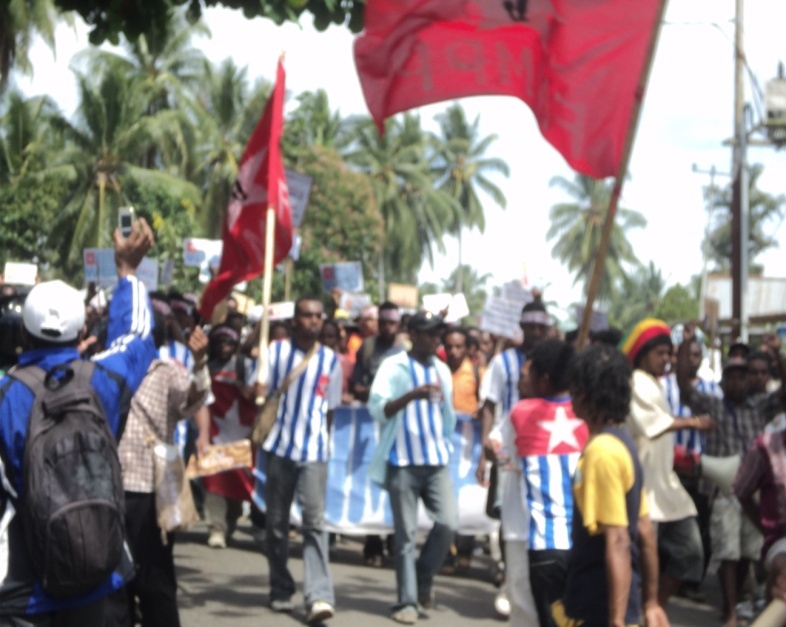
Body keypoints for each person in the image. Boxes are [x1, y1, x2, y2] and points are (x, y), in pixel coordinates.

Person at [0, 219, 157, 625]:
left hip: (20, 587)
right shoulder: (103, 381)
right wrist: (128, 272)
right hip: (96, 572)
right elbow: (138, 334)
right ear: (83, 330)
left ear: (22, 332)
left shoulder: (5, 394)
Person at [107, 300, 210, 627]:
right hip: (108, 490)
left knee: (155, 582)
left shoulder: (166, 371)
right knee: (114, 586)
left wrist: (200, 363)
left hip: (149, 491)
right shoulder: (102, 369)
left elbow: (193, 400)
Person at [677, 326, 786, 627]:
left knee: (749, 552)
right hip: (724, 490)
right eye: (731, 377)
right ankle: (730, 612)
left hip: (754, 490)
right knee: (727, 551)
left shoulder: (759, 406)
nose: (737, 382)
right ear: (723, 382)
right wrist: (687, 344)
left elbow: (784, 392)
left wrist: (778, 353)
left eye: (742, 377)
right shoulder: (712, 405)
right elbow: (685, 387)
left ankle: (737, 602)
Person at [555, 344, 668, 627]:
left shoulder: (601, 452)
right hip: (618, 605)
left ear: (585, 394)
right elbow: (644, 530)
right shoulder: (623, 443)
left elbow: (618, 539)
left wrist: (616, 620)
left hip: (598, 606)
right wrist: (650, 602)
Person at [368, 311, 458, 625]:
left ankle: (422, 576)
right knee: (405, 536)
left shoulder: (442, 369)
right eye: (430, 334)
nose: (436, 340)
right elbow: (378, 409)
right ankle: (406, 601)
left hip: (436, 462)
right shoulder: (393, 366)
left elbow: (448, 414)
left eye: (438, 335)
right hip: (402, 462)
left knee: (448, 523)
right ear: (414, 335)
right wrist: (411, 396)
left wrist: (446, 443)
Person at [260, 297, 343, 624]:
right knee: (276, 524)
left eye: (318, 316)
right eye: (307, 315)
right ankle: (280, 587)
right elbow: (260, 389)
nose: (313, 321)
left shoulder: (331, 360)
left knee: (314, 524)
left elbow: (331, 409)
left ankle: (319, 595)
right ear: (295, 320)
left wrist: (323, 442)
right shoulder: (276, 351)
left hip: (314, 453)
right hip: (280, 449)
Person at [620, 318, 713, 609]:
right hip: (644, 489)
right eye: (659, 353)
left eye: (668, 353)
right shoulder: (635, 381)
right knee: (641, 562)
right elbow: (653, 424)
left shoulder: (655, 384)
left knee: (691, 553)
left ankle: (654, 608)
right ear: (642, 354)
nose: (666, 359)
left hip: (665, 486)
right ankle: (640, 612)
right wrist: (694, 422)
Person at [477, 298, 550, 623]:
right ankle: (511, 581)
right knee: (510, 519)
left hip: (544, 451)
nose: (535, 332)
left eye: (540, 327)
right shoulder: (503, 362)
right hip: (507, 449)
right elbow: (489, 403)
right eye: (529, 326)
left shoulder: (552, 364)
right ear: (520, 327)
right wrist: (485, 448)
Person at [509, 339, 588, 627]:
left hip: (545, 545)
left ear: (543, 379)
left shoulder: (521, 413)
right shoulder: (588, 415)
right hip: (584, 544)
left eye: (529, 373)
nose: (523, 379)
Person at [198, 324, 257, 549]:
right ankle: (216, 528)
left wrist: (245, 389)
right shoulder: (205, 367)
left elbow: (257, 394)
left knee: (235, 483)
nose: (224, 347)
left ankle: (230, 523)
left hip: (240, 434)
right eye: (220, 342)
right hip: (214, 433)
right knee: (214, 482)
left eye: (229, 342)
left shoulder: (245, 366)